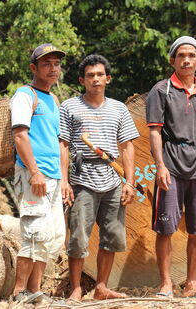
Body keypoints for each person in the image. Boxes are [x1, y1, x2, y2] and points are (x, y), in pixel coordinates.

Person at [146, 36, 196, 298]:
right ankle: (166, 284)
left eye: (191, 55)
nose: (187, 60)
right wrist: (160, 166)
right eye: (181, 55)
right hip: (171, 164)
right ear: (173, 60)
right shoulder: (161, 90)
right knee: (166, 227)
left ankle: (192, 283)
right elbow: (155, 132)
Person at [59, 54, 139, 301]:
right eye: (90, 75)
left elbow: (127, 146)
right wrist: (64, 181)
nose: (96, 79)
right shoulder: (70, 107)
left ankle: (101, 287)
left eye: (100, 75)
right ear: (82, 80)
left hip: (113, 179)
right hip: (82, 178)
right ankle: (75, 289)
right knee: (79, 235)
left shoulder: (119, 108)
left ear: (108, 78)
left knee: (112, 235)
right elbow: (62, 145)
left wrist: (130, 182)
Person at [10, 43, 67, 304]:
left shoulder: (53, 100)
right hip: (34, 175)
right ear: (34, 68)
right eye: (47, 64)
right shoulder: (25, 95)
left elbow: (57, 141)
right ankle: (18, 293)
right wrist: (35, 172)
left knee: (52, 236)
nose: (53, 68)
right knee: (33, 232)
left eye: (56, 64)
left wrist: (63, 179)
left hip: (53, 177)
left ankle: (34, 291)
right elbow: (20, 136)